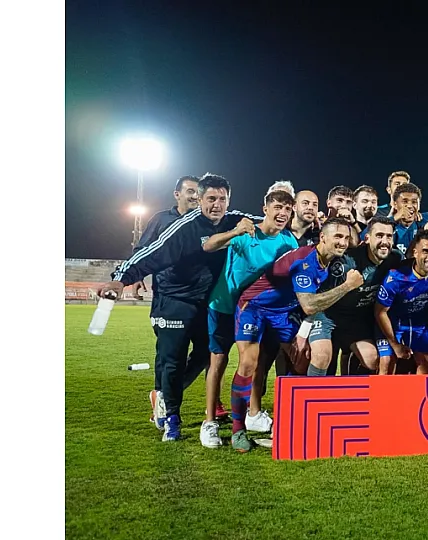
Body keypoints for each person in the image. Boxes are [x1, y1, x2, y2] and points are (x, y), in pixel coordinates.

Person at [99, 173, 259, 442]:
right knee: (171, 361)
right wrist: (121, 279)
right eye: (211, 198)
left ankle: (164, 394)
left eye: (222, 199)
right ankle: (172, 419)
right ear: (200, 200)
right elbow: (150, 251)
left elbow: (268, 222)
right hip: (174, 300)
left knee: (206, 355)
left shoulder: (235, 219)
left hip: (208, 303)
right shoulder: (183, 226)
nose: (217, 204)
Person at [229, 217, 358, 452]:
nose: (343, 242)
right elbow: (309, 305)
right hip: (255, 307)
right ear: (323, 237)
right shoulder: (305, 261)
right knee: (248, 363)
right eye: (338, 236)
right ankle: (238, 430)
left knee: (301, 361)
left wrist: (303, 332)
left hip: (284, 313)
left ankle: (289, 423)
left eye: (346, 238)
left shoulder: (329, 262)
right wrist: (348, 286)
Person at [198, 189, 298, 448]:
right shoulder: (247, 233)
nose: (283, 213)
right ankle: (210, 421)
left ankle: (253, 414)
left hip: (257, 310)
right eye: (278, 207)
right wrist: (234, 232)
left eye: (288, 209)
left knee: (255, 362)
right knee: (218, 361)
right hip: (225, 304)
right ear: (265, 209)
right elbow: (208, 246)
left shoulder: (288, 241)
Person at [134, 175, 201, 426]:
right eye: (190, 191)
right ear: (177, 194)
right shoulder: (161, 220)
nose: (195, 196)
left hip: (200, 298)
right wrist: (137, 277)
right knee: (168, 354)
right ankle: (164, 403)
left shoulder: (203, 221)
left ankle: (163, 394)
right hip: (167, 296)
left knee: (206, 352)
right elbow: (142, 250)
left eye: (198, 192)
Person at [305, 216, 402, 377]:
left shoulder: (395, 259)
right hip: (328, 317)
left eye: (389, 236)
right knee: (322, 356)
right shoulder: (346, 262)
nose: (384, 241)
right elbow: (318, 297)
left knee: (372, 359)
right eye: (379, 235)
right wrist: (303, 333)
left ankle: (349, 384)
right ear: (367, 238)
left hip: (356, 322)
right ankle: (310, 392)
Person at [374, 230, 428, 375]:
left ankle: (420, 391)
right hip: (393, 322)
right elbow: (380, 312)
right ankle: (383, 390)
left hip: (419, 323)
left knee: (425, 363)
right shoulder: (396, 277)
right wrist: (394, 344)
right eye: (425, 251)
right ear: (415, 253)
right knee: (387, 362)